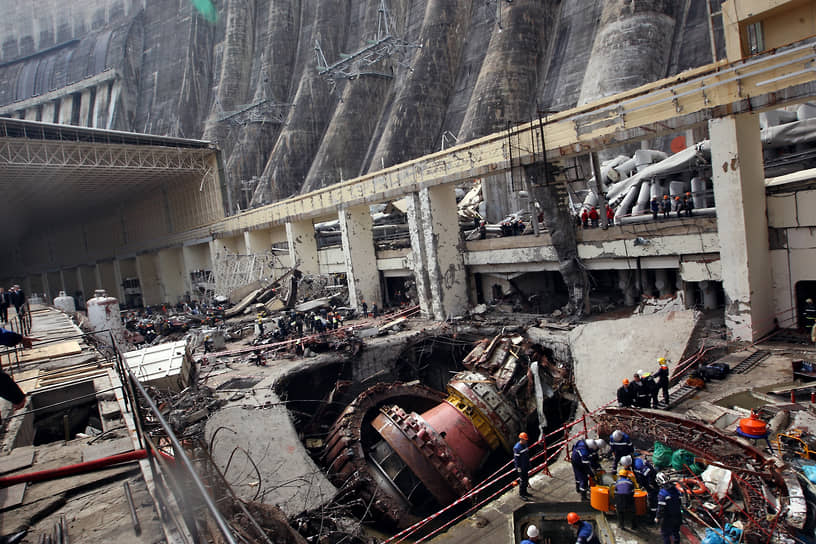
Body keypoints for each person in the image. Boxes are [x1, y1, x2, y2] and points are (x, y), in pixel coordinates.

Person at [655, 472, 683, 544]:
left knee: (665, 534)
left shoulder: (662, 493)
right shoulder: (675, 490)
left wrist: (657, 517)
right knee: (676, 533)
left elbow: (661, 508)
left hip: (668, 518)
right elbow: (680, 501)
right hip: (678, 515)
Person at [513, 432, 532, 500]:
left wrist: (528, 463)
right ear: (521, 439)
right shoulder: (517, 448)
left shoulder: (525, 444)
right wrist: (518, 468)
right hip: (521, 467)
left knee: (526, 479)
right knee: (522, 480)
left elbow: (527, 455)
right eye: (525, 439)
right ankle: (521, 494)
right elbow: (516, 460)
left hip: (525, 465)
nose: (526, 441)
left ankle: (525, 492)